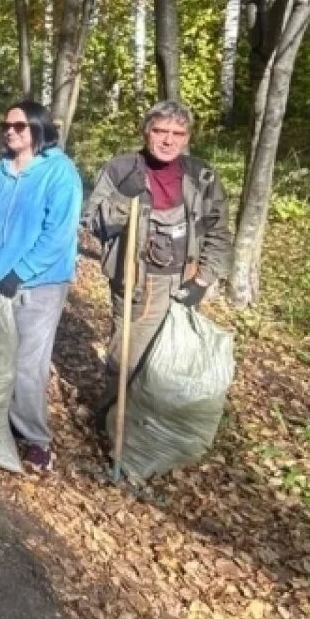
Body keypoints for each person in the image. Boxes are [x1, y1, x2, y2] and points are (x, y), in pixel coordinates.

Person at [82, 100, 232, 418]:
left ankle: (152, 425)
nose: (168, 140)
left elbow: (219, 232)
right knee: (126, 358)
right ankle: (112, 423)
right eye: (160, 131)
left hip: (185, 280)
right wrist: (124, 196)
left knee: (170, 361)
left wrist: (203, 280)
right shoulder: (121, 170)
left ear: (187, 137)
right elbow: (95, 222)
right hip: (137, 283)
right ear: (146, 132)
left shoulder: (202, 176)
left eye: (177, 133)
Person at [0, 100, 82, 472]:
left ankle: (36, 440)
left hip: (41, 284)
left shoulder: (60, 173)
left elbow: (58, 235)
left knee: (27, 363)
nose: (10, 131)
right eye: (6, 125)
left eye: (19, 126)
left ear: (38, 129)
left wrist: (20, 273)